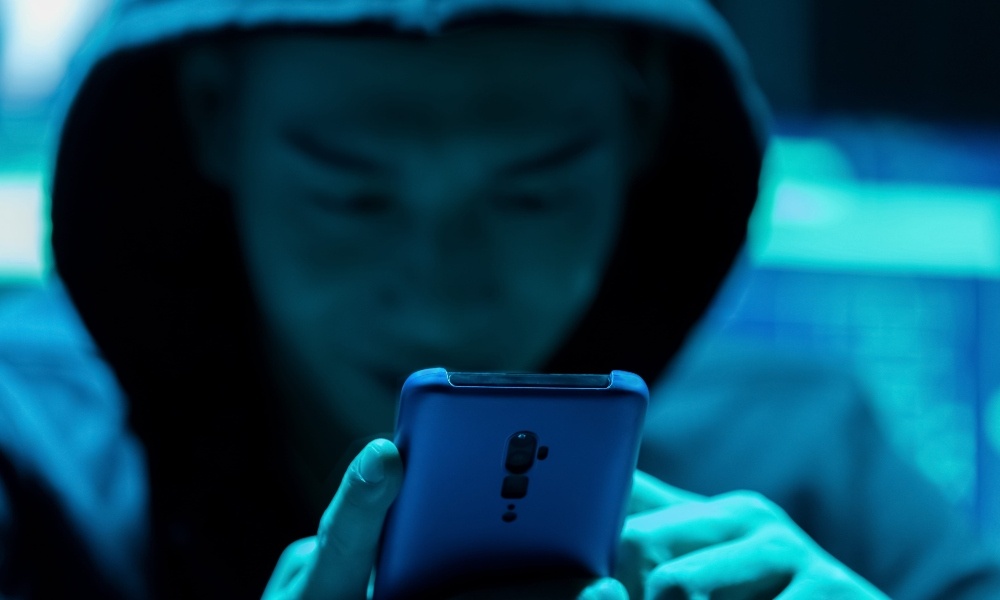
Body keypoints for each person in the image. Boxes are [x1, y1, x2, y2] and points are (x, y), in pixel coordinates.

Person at [0, 0, 998, 598]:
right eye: (348, 195)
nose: (440, 294)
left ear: (643, 123)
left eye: (533, 195)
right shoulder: (29, 470)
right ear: (211, 115)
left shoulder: (805, 469)